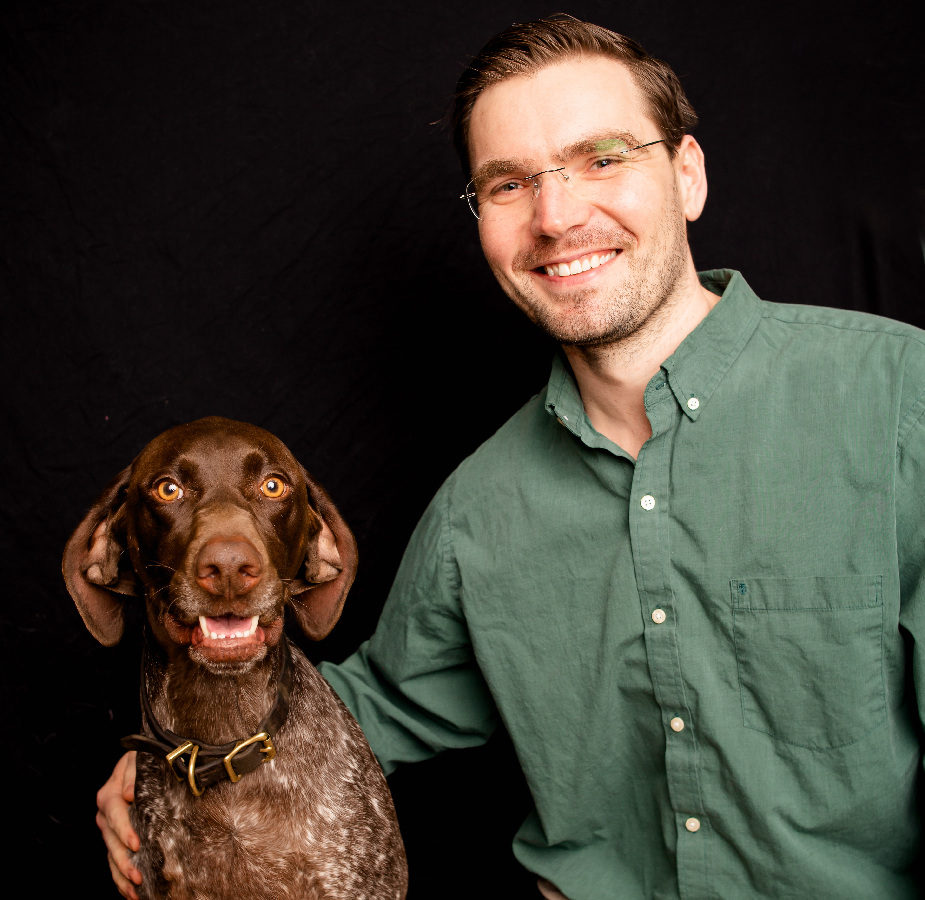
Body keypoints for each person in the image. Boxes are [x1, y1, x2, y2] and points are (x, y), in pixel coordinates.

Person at [97, 15, 925, 899]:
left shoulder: (897, 399)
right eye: (507, 184)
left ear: (687, 175)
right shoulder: (476, 508)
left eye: (601, 159)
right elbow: (369, 711)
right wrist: (177, 763)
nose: (557, 215)